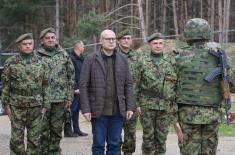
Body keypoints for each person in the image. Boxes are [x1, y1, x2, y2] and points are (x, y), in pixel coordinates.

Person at [174, 18, 235, 155]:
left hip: (186, 115)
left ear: (188, 34)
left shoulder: (178, 56)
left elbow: (169, 88)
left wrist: (173, 116)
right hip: (211, 114)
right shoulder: (219, 55)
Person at [80, 29, 135, 155]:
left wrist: (130, 107)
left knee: (115, 144)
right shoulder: (90, 59)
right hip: (98, 111)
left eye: (113, 39)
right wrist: (86, 109)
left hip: (117, 110)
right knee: (98, 144)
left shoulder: (122, 59)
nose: (111, 41)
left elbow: (128, 85)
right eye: (108, 39)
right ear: (101, 41)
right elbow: (83, 86)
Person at [1, 33, 50, 154]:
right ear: (19, 46)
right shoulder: (11, 63)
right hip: (17, 106)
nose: (28, 46)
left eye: (30, 44)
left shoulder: (42, 63)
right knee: (16, 140)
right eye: (24, 44)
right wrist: (6, 106)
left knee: (34, 140)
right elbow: (6, 86)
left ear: (33, 44)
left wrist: (46, 105)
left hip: (36, 106)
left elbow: (46, 85)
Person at [134, 32, 177, 155]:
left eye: (160, 43)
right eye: (155, 43)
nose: (158, 46)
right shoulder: (142, 61)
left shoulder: (171, 61)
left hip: (165, 106)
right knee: (148, 137)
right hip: (147, 105)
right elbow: (135, 85)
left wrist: (174, 105)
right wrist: (136, 104)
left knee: (161, 137)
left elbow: (175, 84)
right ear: (149, 45)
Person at [36, 27, 75, 154]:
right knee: (42, 130)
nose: (50, 40)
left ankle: (54, 152)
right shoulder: (36, 55)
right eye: (47, 38)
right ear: (42, 40)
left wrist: (69, 96)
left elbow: (71, 76)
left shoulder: (63, 54)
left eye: (52, 37)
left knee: (57, 130)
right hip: (42, 101)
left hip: (60, 99)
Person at [117, 29, 138, 155]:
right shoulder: (113, 55)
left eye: (128, 38)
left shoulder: (137, 56)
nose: (126, 40)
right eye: (124, 38)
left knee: (130, 134)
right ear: (119, 40)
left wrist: (139, 103)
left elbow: (141, 80)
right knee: (115, 133)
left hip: (132, 101)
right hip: (117, 100)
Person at [64, 40, 88, 137]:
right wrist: (75, 88)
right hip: (73, 89)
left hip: (80, 89)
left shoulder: (81, 58)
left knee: (76, 110)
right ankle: (68, 131)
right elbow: (69, 74)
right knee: (70, 111)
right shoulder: (71, 58)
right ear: (78, 47)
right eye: (83, 46)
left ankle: (77, 129)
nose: (84, 47)